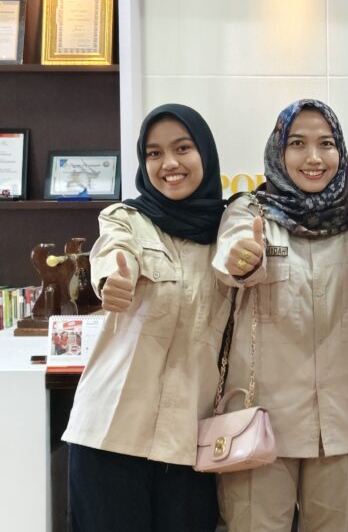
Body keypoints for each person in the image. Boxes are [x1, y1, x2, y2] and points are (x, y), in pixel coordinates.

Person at [213, 99, 348, 532]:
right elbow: (230, 257)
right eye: (297, 144)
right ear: (279, 151)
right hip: (259, 422)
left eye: (326, 144)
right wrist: (241, 259)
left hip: (344, 423)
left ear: (340, 151)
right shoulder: (251, 213)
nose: (313, 157)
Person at [63, 104, 227, 531]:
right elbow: (114, 253)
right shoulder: (127, 218)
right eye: (154, 153)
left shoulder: (227, 233)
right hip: (110, 436)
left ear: (205, 153)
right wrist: (112, 280)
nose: (168, 163)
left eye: (182, 148)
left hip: (189, 443)